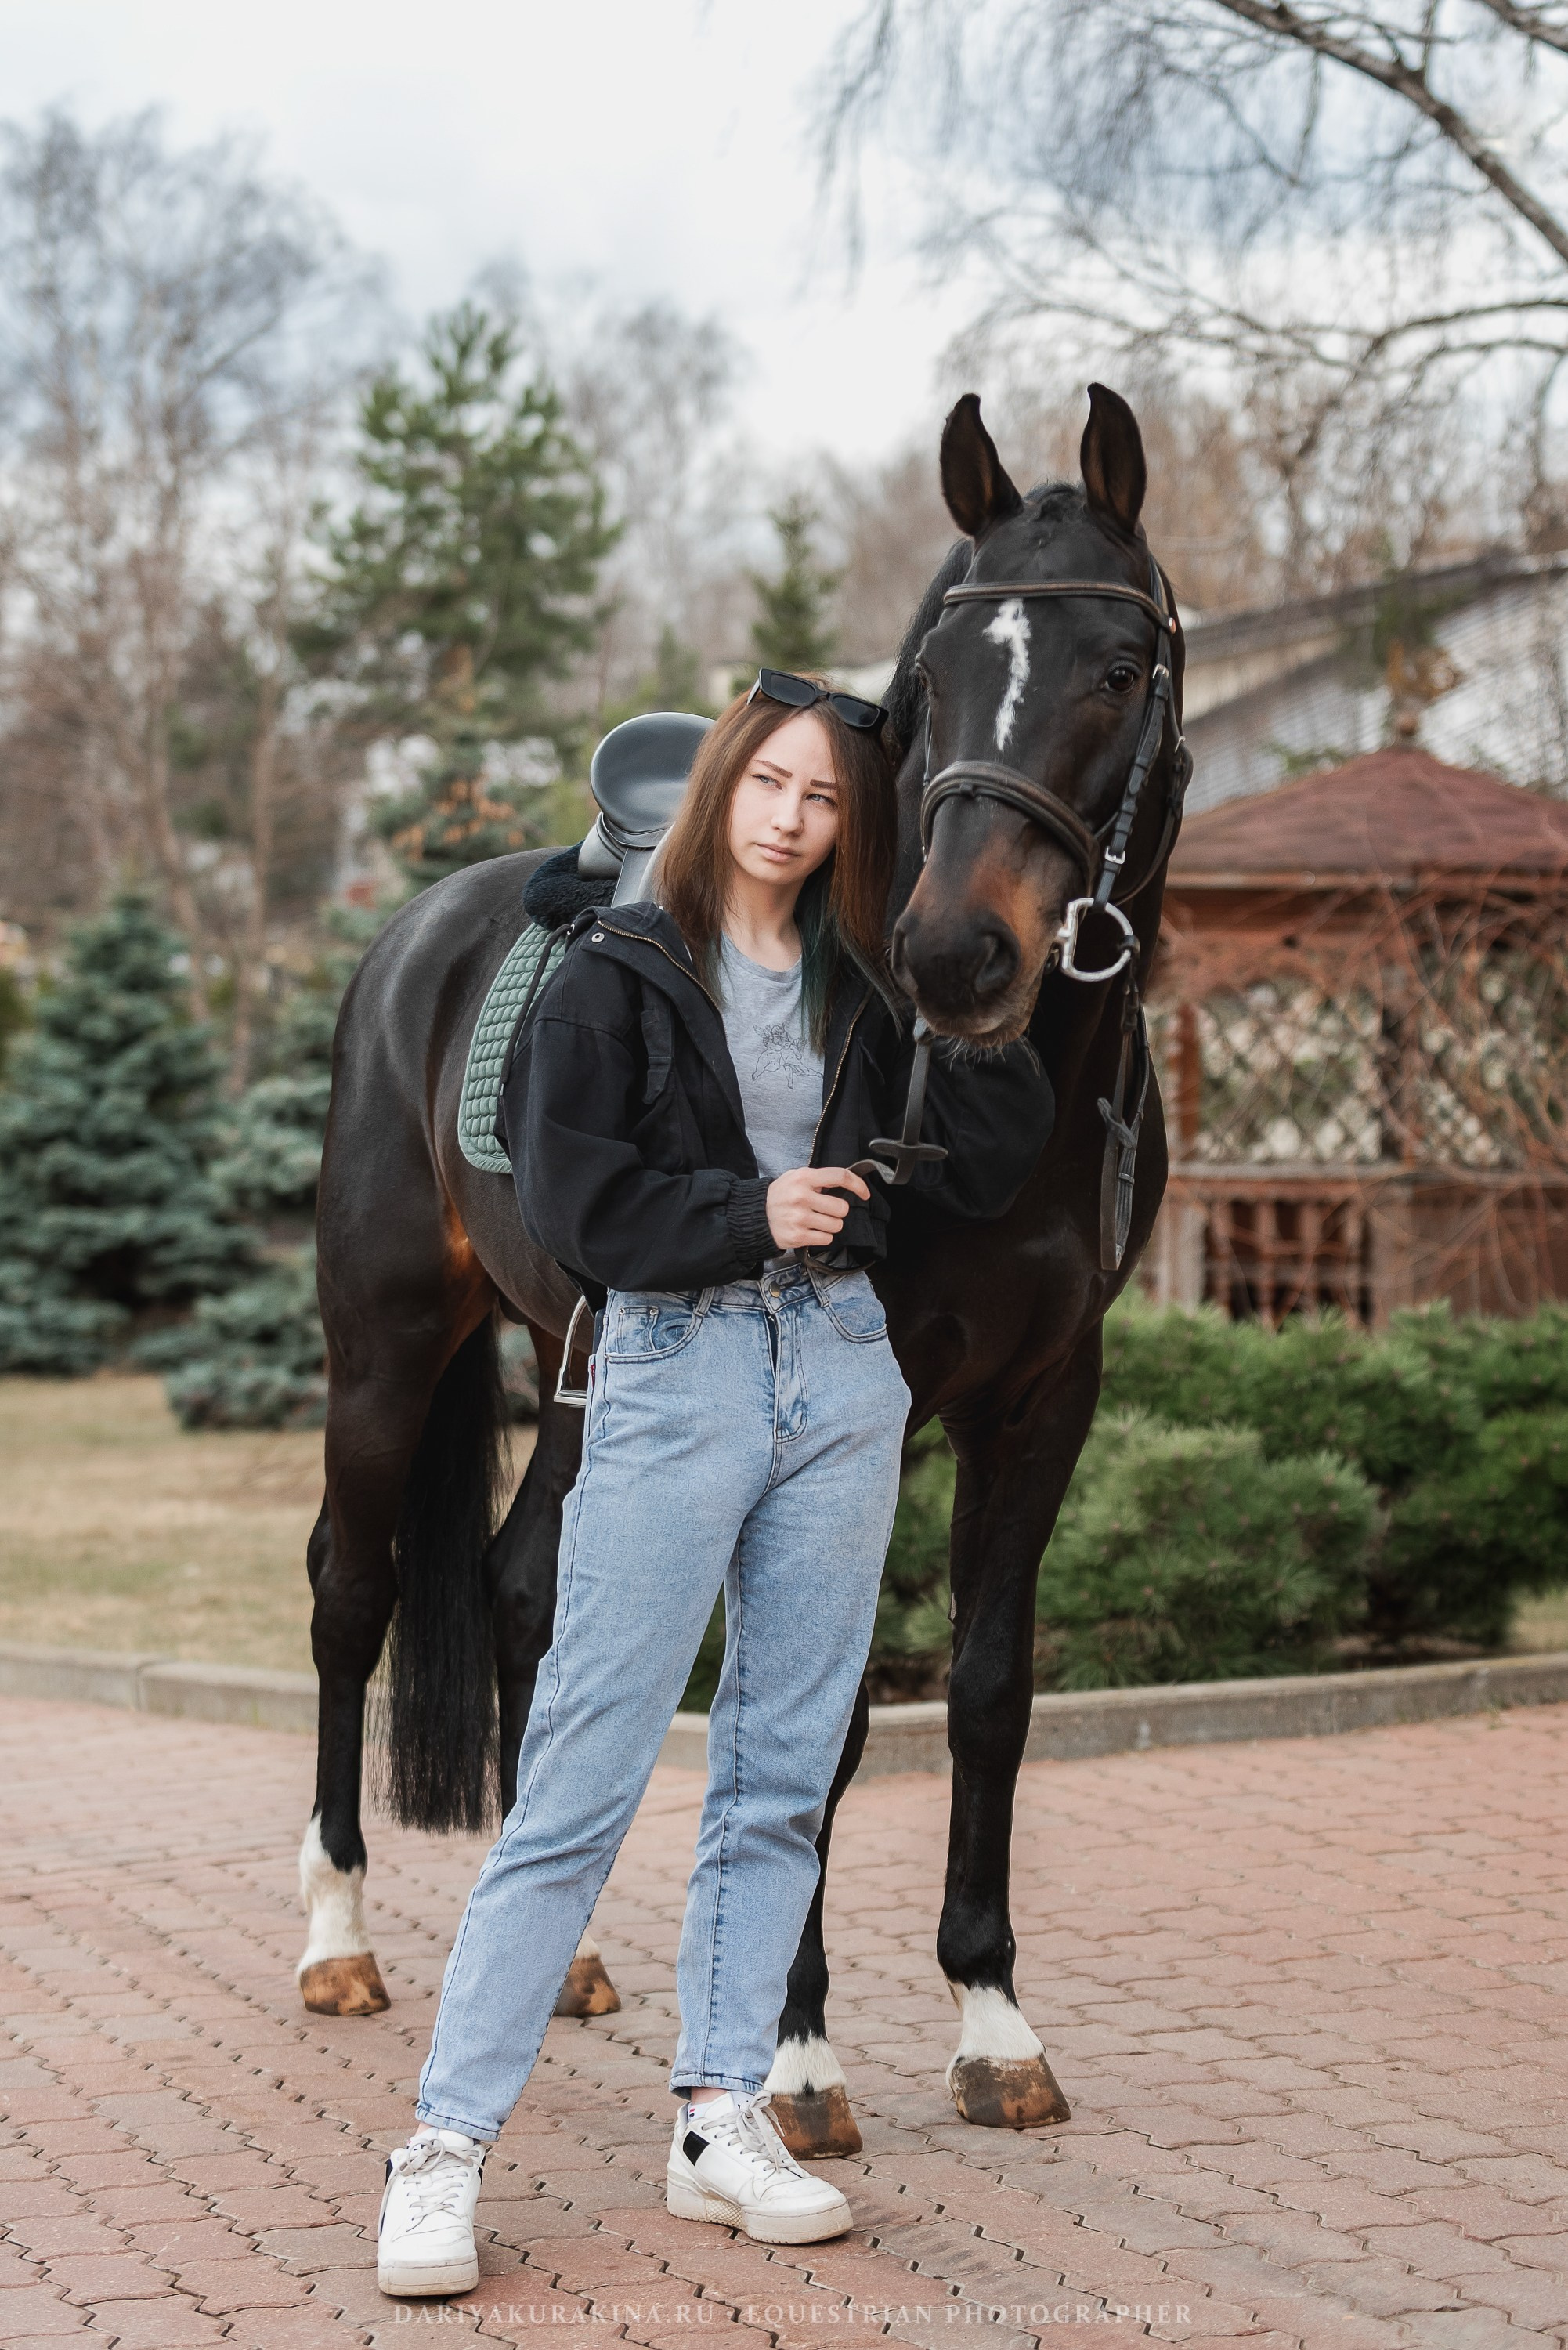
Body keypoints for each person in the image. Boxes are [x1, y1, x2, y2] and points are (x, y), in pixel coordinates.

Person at [376, 672, 1056, 2298]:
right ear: (719, 789)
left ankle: (715, 2113)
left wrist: (975, 1011)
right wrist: (755, 1214)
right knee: (579, 1788)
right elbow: (577, 1206)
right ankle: (442, 2147)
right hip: (675, 1378)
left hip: (835, 1383)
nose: (792, 817)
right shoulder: (611, 971)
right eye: (771, 784)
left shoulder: (860, 983)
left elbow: (990, 1155)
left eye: (825, 800)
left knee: (776, 1776)